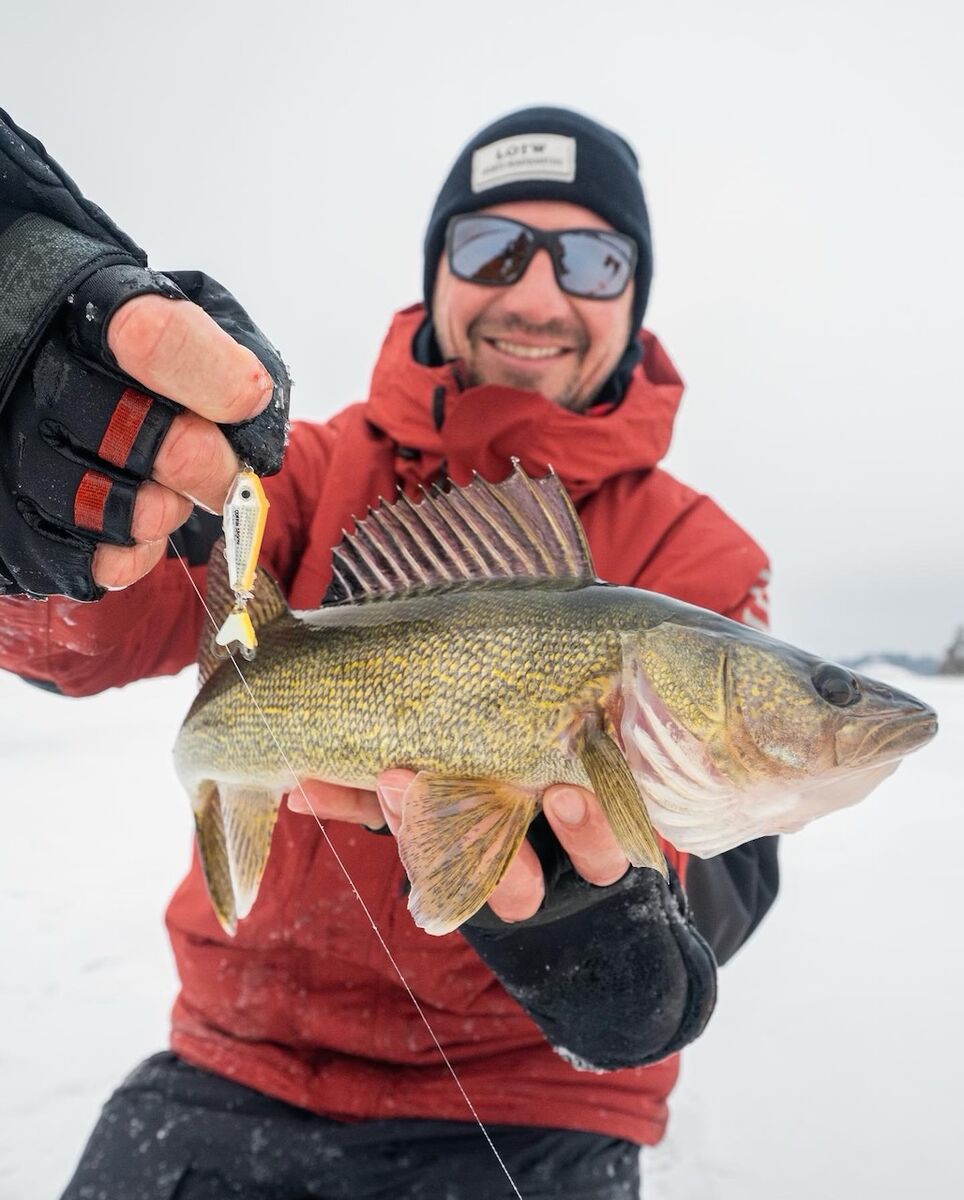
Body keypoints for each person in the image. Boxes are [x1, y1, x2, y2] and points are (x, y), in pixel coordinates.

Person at [0, 105, 780, 1198]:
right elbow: (82, 639)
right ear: (438, 272)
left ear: (633, 295)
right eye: (491, 246)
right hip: (234, 1068)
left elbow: (726, 852)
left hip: (529, 1109)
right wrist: (58, 522)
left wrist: (607, 939)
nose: (538, 294)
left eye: (593, 258)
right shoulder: (303, 475)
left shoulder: (696, 556)